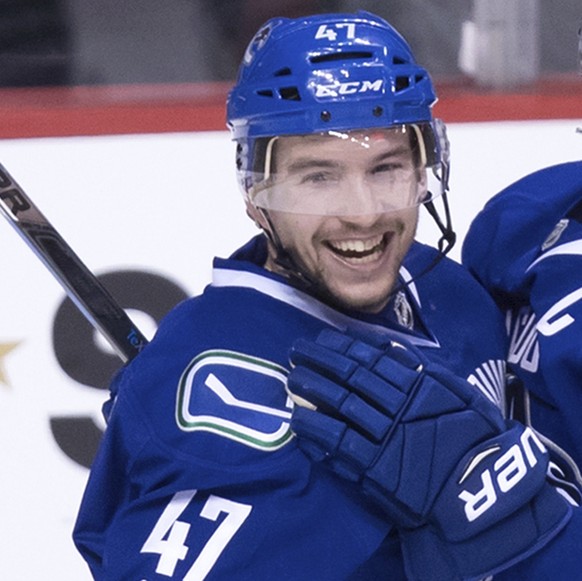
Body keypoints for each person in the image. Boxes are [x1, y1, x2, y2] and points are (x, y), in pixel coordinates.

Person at [73, 12, 580, 580]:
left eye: (387, 168)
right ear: (255, 192)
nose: (363, 214)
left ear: (425, 168)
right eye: (319, 178)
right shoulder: (219, 405)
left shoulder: (448, 288)